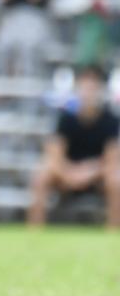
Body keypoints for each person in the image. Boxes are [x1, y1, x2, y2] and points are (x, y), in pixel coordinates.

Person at [26, 63, 119, 228]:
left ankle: (114, 232)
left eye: (93, 85)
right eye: (85, 84)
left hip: (97, 176)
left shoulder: (110, 121)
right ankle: (34, 230)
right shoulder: (65, 119)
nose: (89, 90)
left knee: (116, 180)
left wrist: (90, 172)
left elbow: (112, 158)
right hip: (66, 173)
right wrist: (70, 173)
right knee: (41, 176)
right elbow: (54, 154)